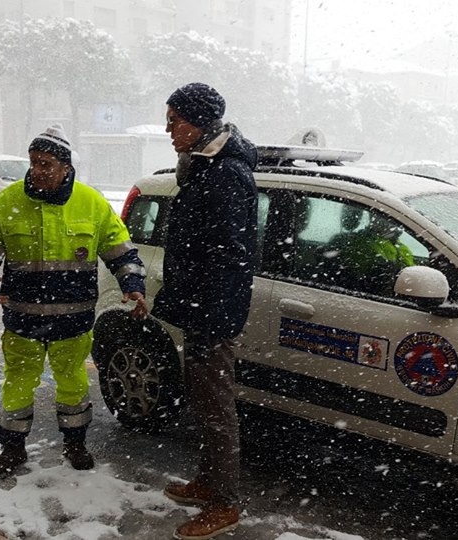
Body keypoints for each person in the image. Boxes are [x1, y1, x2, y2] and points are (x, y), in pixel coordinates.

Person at [0, 123, 147, 478]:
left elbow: (119, 247)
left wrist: (132, 284)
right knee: (18, 382)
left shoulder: (92, 203)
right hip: (23, 318)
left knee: (72, 382)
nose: (37, 171)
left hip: (73, 319)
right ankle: (12, 449)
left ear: (66, 167)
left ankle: (75, 443)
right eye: (34, 162)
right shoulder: (7, 203)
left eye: (46, 164)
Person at [152, 82, 258, 540]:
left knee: (217, 408)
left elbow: (230, 255)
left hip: (213, 312)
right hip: (202, 308)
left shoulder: (225, 173)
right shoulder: (203, 167)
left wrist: (207, 311)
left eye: (175, 119)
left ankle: (225, 503)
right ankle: (208, 481)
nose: (169, 128)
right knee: (202, 402)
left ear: (197, 122)